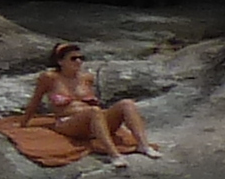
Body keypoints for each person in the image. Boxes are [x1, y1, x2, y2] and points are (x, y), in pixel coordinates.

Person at [16, 43, 151, 160]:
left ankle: (143, 145)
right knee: (93, 111)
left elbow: (94, 103)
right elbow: (35, 100)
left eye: (81, 58)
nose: (79, 61)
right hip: (69, 122)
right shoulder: (49, 78)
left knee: (127, 103)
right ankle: (114, 154)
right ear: (60, 61)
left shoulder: (86, 78)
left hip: (94, 119)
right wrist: (24, 123)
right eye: (73, 58)